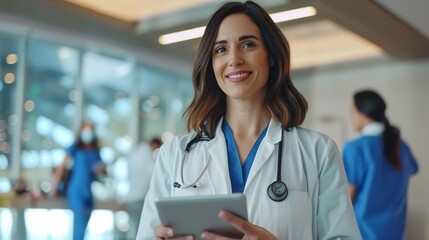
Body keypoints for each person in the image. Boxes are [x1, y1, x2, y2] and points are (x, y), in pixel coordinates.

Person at [137, 1, 361, 239]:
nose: (234, 59)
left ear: (272, 56)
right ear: (211, 63)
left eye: (248, 44)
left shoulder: (317, 152)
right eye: (221, 49)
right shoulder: (174, 154)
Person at [342, 89, 419, 240]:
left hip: (362, 234)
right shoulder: (401, 146)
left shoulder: (355, 148)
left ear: (362, 113)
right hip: (395, 234)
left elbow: (346, 200)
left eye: (351, 111)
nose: (350, 117)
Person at [52, 121, 106, 240]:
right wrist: (55, 188)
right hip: (76, 190)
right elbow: (61, 168)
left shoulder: (96, 151)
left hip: (88, 192)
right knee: (79, 227)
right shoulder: (75, 148)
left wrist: (100, 170)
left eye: (91, 129)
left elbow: (101, 170)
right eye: (86, 129)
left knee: (85, 224)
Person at [124, 137, 162, 239]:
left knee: (136, 229)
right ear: (154, 144)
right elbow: (153, 175)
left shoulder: (137, 152)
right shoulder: (146, 154)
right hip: (140, 197)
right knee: (141, 231)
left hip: (132, 197)